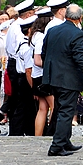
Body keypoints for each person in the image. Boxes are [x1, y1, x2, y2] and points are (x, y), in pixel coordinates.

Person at [42, 4, 83, 156]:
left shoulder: (53, 30)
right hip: (68, 78)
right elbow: (79, 56)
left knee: (62, 110)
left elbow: (44, 53)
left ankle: (65, 141)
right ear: (80, 18)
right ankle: (57, 146)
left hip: (53, 77)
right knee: (66, 112)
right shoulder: (77, 33)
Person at [5, 0, 35, 136]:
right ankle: (17, 131)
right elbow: (23, 49)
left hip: (16, 63)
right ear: (28, 15)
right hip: (19, 66)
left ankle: (26, 128)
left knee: (21, 102)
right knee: (20, 102)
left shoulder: (15, 25)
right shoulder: (20, 28)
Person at [29, 7, 54, 136]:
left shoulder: (35, 35)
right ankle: (52, 133)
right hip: (42, 76)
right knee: (54, 107)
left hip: (36, 76)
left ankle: (38, 136)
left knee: (43, 108)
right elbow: (37, 60)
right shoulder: (41, 37)